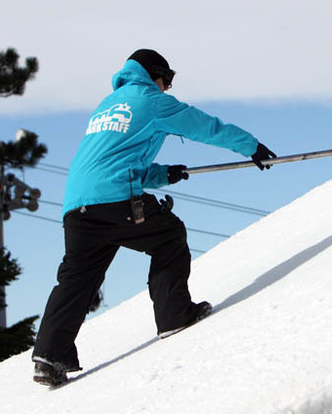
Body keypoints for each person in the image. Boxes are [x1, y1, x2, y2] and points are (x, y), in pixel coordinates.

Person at [31, 49, 276, 386]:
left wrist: (161, 174)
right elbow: (204, 126)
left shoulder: (107, 106)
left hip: (77, 207)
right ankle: (175, 316)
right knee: (169, 236)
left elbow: (112, 161)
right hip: (117, 198)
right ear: (154, 74)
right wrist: (250, 146)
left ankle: (49, 356)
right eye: (168, 80)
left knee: (76, 278)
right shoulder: (150, 100)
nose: (168, 88)